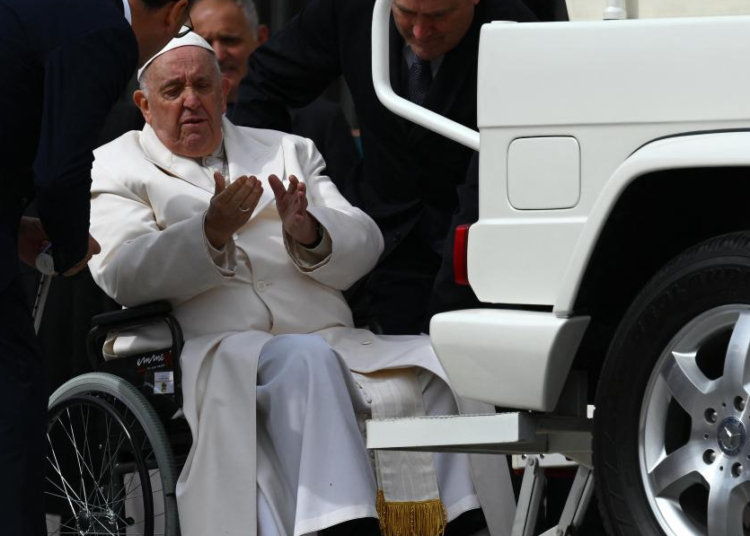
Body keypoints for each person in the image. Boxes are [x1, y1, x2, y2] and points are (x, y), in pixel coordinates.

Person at [88, 35, 516, 536]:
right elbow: (121, 269)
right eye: (173, 90)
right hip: (220, 349)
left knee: (440, 363)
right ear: (144, 104)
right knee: (305, 362)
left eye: (203, 85)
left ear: (225, 91)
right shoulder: (116, 166)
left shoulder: (288, 150)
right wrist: (209, 233)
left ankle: (457, 519)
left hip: (328, 338)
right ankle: (343, 523)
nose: (191, 100)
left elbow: (366, 239)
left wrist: (310, 232)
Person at [232, 0, 538, 335]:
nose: (420, 32)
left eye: (439, 16)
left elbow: (492, 181)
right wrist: (269, 195)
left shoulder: (517, 34)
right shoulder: (353, 10)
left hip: (474, 257)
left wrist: (449, 311)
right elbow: (266, 83)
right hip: (379, 246)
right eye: (406, 13)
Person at [0, 0, 191, 534]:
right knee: (13, 400)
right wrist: (65, 249)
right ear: (173, 11)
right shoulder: (105, 32)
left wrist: (16, 230)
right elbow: (61, 168)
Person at [190, 0, 360, 188]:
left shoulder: (321, 121)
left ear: (262, 37)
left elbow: (351, 211)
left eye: (230, 40)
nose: (219, 55)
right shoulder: (175, 124)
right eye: (206, 43)